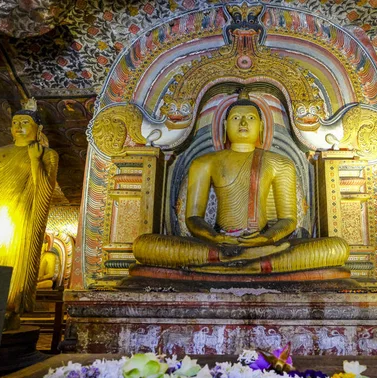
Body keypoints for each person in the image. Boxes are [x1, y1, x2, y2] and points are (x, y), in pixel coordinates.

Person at [132, 94, 349, 274]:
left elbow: (289, 219)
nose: (243, 123)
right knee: (144, 246)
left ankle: (228, 264)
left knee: (337, 248)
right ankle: (251, 264)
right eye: (236, 118)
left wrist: (264, 238)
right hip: (217, 243)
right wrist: (215, 237)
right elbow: (193, 218)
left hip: (265, 245)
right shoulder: (205, 163)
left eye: (250, 118)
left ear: (262, 126)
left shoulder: (280, 163)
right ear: (225, 125)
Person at [0, 98, 58, 330]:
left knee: (18, 267)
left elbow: (44, 190)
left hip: (24, 218)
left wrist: (35, 160)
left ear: (38, 129)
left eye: (25, 121)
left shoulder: (48, 155)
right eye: (15, 122)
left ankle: (11, 313)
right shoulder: (0, 153)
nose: (18, 126)